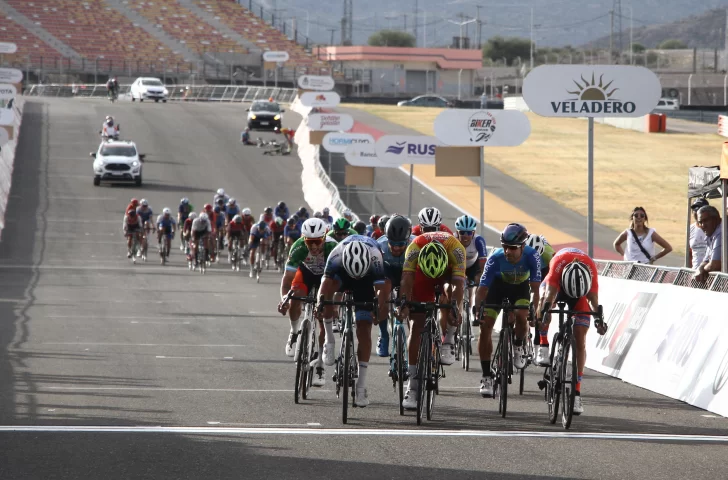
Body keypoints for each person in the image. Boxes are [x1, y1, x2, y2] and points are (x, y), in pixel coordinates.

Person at [317, 235, 390, 408]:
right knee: (326, 298)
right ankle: (330, 339)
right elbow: (325, 284)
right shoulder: (336, 255)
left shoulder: (375, 257)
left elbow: (381, 291)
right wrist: (321, 303)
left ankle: (361, 386)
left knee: (364, 329)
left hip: (366, 280)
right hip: (342, 275)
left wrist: (377, 309)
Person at [398, 231, 465, 409]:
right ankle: (412, 387)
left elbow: (459, 285)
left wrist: (455, 309)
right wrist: (404, 304)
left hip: (447, 274)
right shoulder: (414, 248)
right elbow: (406, 280)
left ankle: (447, 340)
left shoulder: (457, 249)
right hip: (422, 275)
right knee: (416, 326)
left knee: (450, 298)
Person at [473, 223, 541, 398]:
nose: (507, 251)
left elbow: (535, 290)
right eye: (505, 247)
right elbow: (482, 289)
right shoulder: (495, 258)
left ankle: (518, 345)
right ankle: (487, 376)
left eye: (512, 248)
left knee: (521, 314)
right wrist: (477, 309)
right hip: (497, 288)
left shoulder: (532, 256)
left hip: (520, 288)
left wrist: (535, 311)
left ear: (523, 246)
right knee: (485, 326)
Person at [537, 248, 607, 415]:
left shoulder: (590, 271)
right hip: (556, 287)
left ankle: (576, 393)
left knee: (580, 340)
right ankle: (543, 343)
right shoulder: (557, 265)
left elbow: (593, 301)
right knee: (544, 305)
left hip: (580, 293)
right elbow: (549, 295)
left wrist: (599, 320)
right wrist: (544, 315)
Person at [278, 219, 338, 385]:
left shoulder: (332, 247)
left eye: (317, 242)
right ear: (304, 239)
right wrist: (285, 299)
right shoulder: (298, 247)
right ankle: (294, 331)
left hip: (325, 277)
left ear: (324, 237)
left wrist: (333, 304)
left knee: (323, 314)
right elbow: (287, 279)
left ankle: (319, 364)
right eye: (309, 242)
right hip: (305, 273)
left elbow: (337, 281)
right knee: (295, 296)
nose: (313, 247)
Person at [376, 215, 415, 357]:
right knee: (383, 292)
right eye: (392, 244)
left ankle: (414, 334)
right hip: (388, 273)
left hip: (408, 272)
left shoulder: (416, 244)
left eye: (401, 244)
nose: (397, 248)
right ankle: (383, 334)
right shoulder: (379, 246)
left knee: (411, 300)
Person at [454, 215, 487, 294]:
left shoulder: (479, 240)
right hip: (456, 265)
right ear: (457, 233)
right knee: (456, 285)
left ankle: (472, 305)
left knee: (475, 287)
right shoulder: (452, 239)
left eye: (469, 233)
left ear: (474, 233)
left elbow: (483, 263)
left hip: (473, 266)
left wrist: (480, 274)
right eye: (462, 232)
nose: (465, 236)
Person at [693, 205, 723, 283]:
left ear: (716, 219)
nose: (703, 225)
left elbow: (715, 265)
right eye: (700, 222)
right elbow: (706, 261)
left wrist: (702, 271)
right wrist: (700, 269)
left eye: (706, 221)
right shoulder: (711, 234)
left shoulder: (722, 232)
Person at [688, 198, 709, 270]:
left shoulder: (714, 227)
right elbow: (689, 253)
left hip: (711, 273)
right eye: (695, 209)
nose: (697, 212)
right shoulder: (690, 228)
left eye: (700, 209)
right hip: (695, 272)